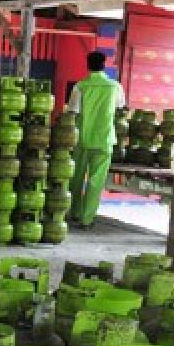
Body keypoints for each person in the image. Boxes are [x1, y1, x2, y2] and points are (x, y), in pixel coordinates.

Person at [68, 51, 125, 227]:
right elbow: (120, 107)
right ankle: (87, 219)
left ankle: (75, 213)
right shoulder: (114, 87)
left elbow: (73, 111)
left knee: (76, 179)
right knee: (96, 181)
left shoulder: (80, 86)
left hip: (82, 139)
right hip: (104, 140)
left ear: (88, 65)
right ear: (104, 64)